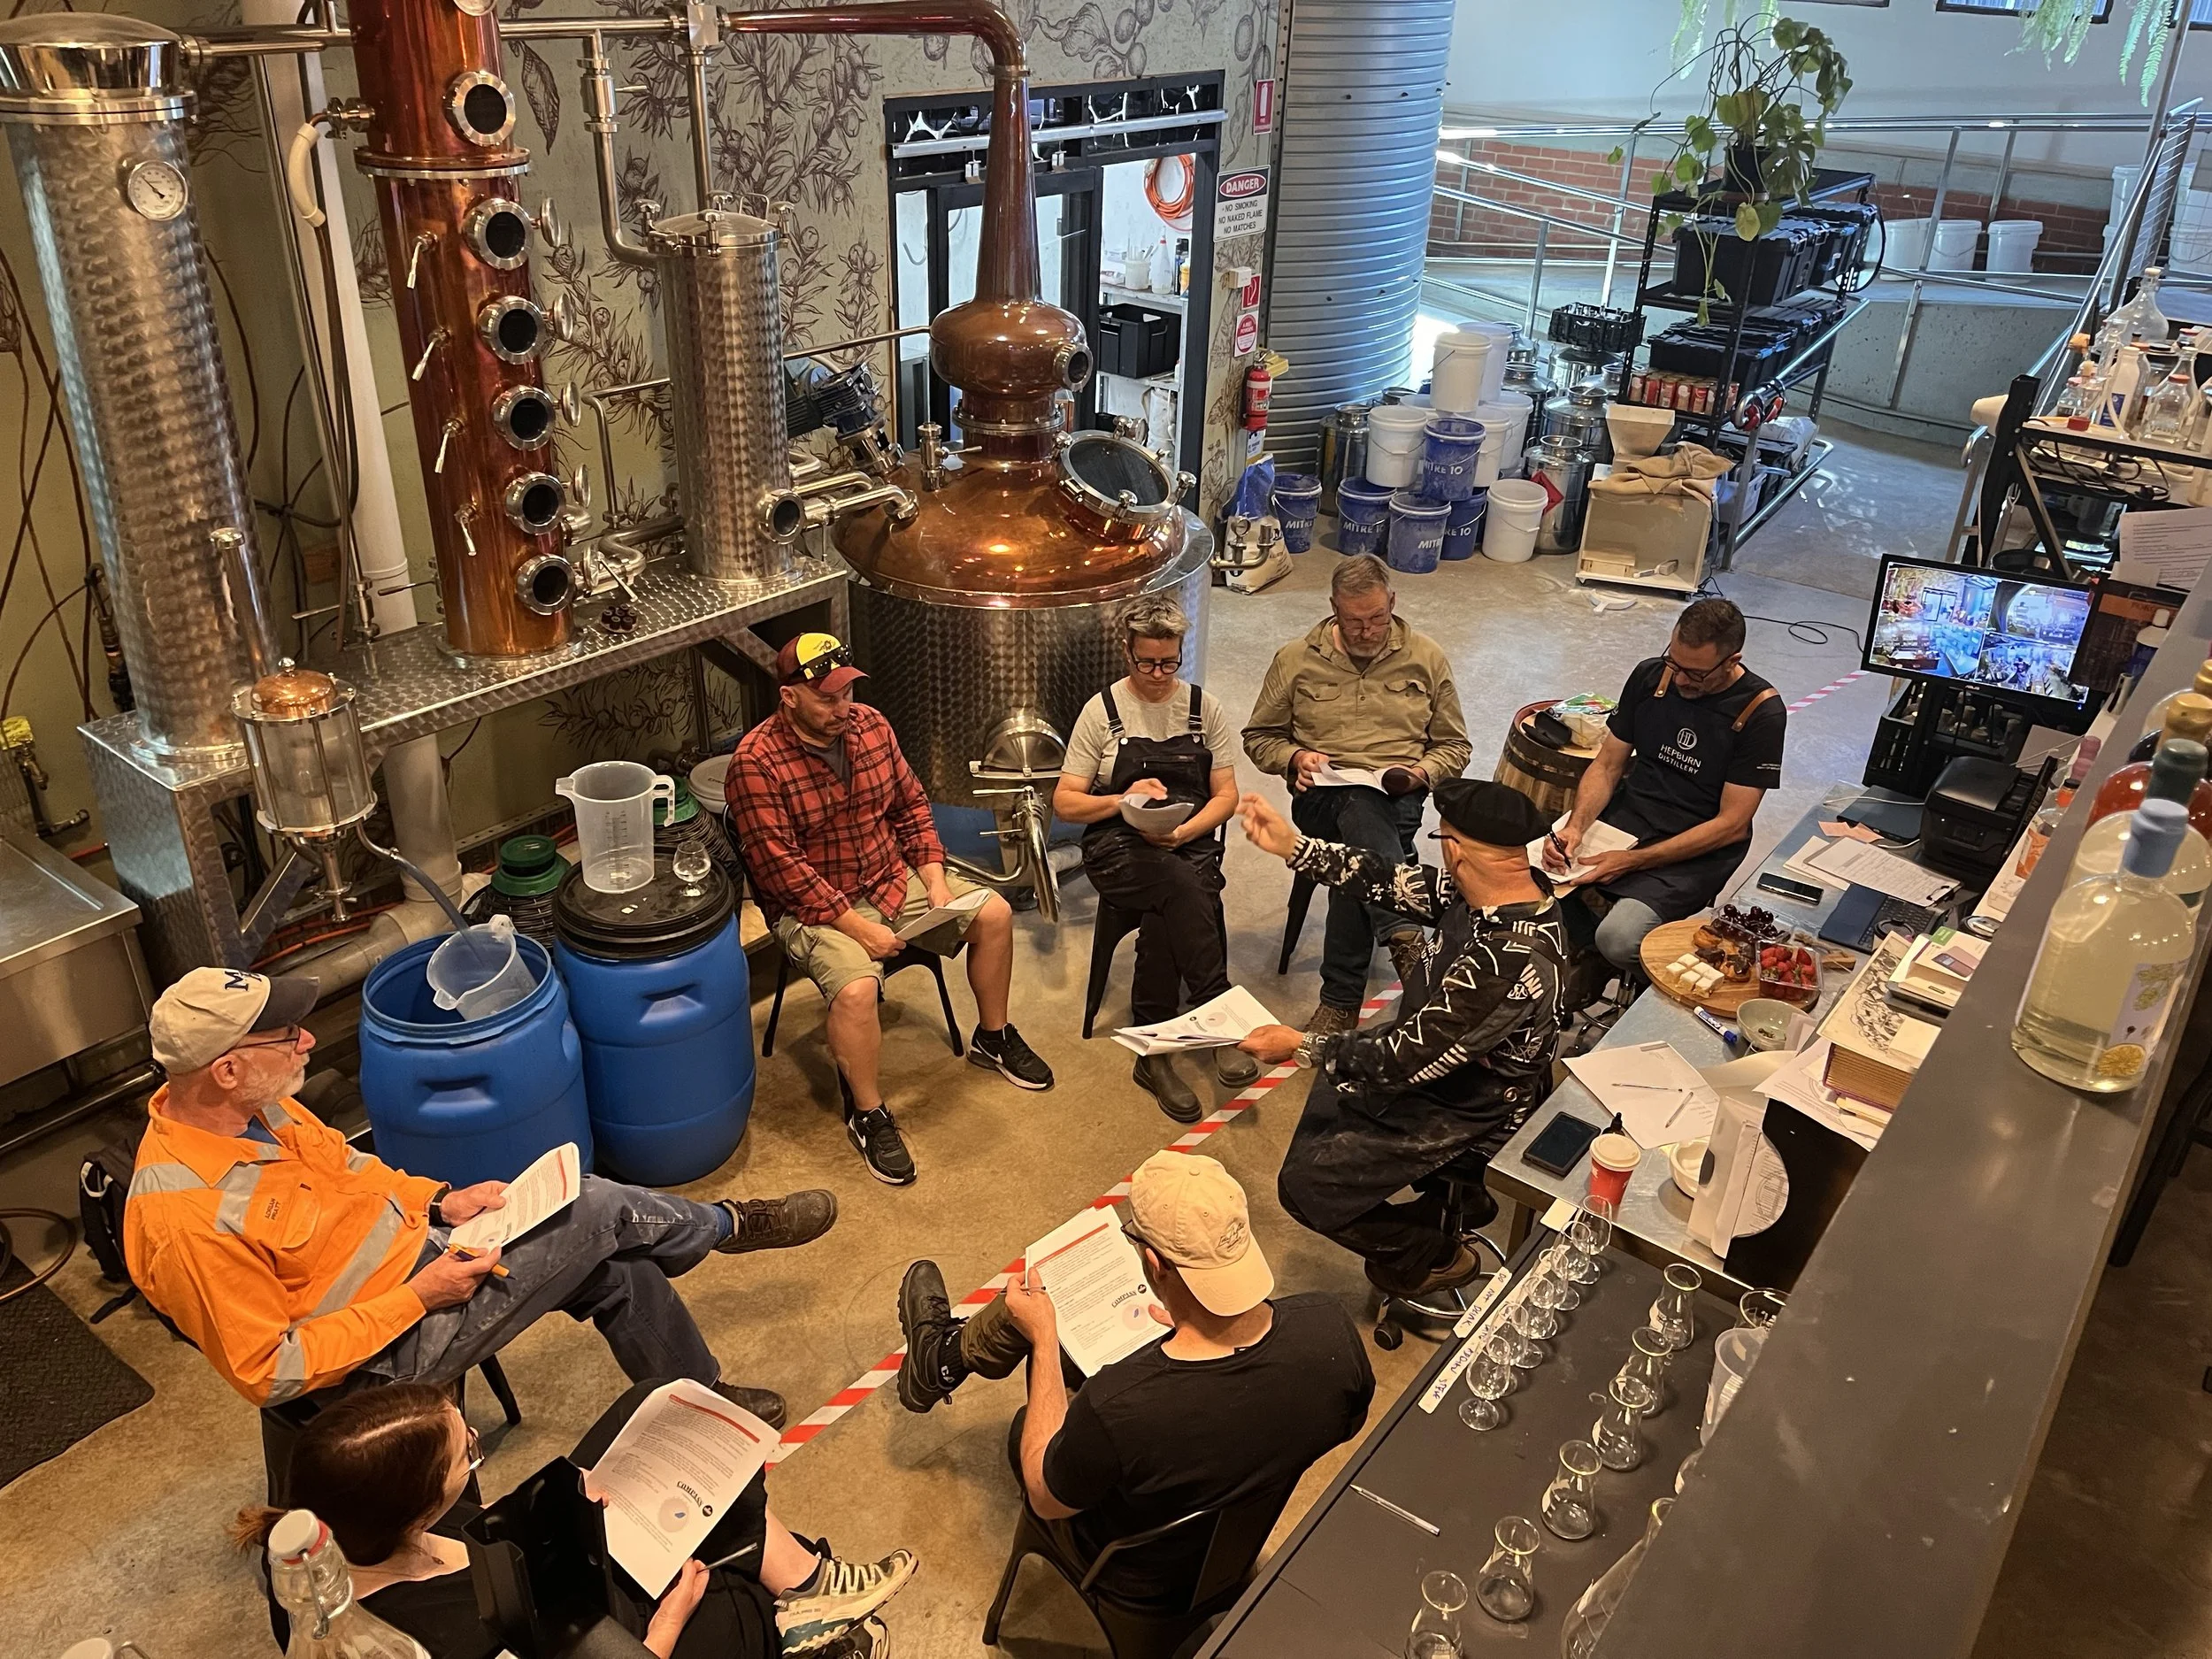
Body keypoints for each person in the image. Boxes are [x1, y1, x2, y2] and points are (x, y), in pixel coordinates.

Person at [124, 967, 826, 1426]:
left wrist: (440, 1203)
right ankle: (726, 1225)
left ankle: (704, 1406)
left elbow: (354, 1170)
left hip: (424, 1258)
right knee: (593, 1208)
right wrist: (419, 1296)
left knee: (618, 1263)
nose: (307, 1038)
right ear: (226, 1069)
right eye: (286, 1035)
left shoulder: (260, 1107)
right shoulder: (185, 1220)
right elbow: (273, 1369)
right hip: (376, 1359)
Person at [893, 1151, 1372, 1612]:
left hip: (1132, 1574)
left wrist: (1044, 1339)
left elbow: (1044, 1496)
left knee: (1030, 1408)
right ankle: (942, 1360)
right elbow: (1335, 1421)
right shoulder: (1329, 1327)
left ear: (1154, 1264)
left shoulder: (1118, 1407)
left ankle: (942, 1360)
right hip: (1230, 1553)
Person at [234, 1379, 915, 1657]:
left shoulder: (327, 1526)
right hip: (607, 1637)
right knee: (729, 1595)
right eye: (466, 1453)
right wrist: (667, 1624)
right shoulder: (421, 1638)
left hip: (563, 1584)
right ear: (413, 1508)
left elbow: (493, 1526)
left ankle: (807, 1586)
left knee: (657, 1407)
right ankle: (801, 1597)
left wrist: (569, 1503)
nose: (474, 1445)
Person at [727, 632, 1055, 1187]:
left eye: (847, 693)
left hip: (888, 878)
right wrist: (860, 930)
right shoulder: (755, 764)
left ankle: (993, 1037)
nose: (842, 708)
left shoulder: (872, 726)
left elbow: (911, 807)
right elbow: (782, 870)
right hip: (814, 908)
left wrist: (935, 880)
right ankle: (869, 1113)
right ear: (789, 697)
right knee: (858, 990)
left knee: (994, 915)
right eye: (826, 698)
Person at [1235, 780, 1569, 1297]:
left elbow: (1401, 1059)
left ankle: (1435, 1254)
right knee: (1333, 1095)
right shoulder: (1502, 894)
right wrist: (1294, 847)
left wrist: (1300, 1046)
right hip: (1447, 1068)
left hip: (1472, 1105)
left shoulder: (1506, 961)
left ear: (1455, 850)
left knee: (1305, 1189)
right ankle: (1458, 1203)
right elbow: (1387, 879)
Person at [1242, 555, 1471, 1033]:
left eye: (1377, 618)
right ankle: (1403, 932)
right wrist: (1294, 758)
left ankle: (1340, 1002)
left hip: (1399, 796)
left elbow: (1455, 745)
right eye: (1354, 621)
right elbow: (1259, 737)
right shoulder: (1295, 659)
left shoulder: (1426, 657)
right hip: (1321, 796)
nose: (1367, 631)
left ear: (1393, 602)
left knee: (1357, 856)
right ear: (1333, 608)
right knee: (1357, 806)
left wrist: (1420, 773)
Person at [1053, 598, 1255, 1123]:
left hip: (1190, 839)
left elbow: (1226, 795)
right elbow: (1066, 802)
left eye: (1169, 662)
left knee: (1175, 892)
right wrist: (1122, 800)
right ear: (1127, 653)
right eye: (1147, 663)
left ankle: (1154, 1052)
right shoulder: (1102, 711)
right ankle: (1217, 1014)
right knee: (1179, 885)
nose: (1159, 675)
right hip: (1120, 848)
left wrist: (1185, 830)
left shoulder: (1203, 708)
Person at [1542, 599, 1786, 971]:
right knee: (1523, 883)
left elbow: (1731, 825)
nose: (1680, 680)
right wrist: (1575, 827)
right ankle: (1589, 964)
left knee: (1618, 939)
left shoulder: (1761, 712)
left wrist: (1633, 861)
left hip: (1697, 847)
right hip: (1632, 817)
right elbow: (1607, 766)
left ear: (1732, 661)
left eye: (1696, 674)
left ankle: (1639, 975)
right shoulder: (1651, 676)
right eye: (1674, 662)